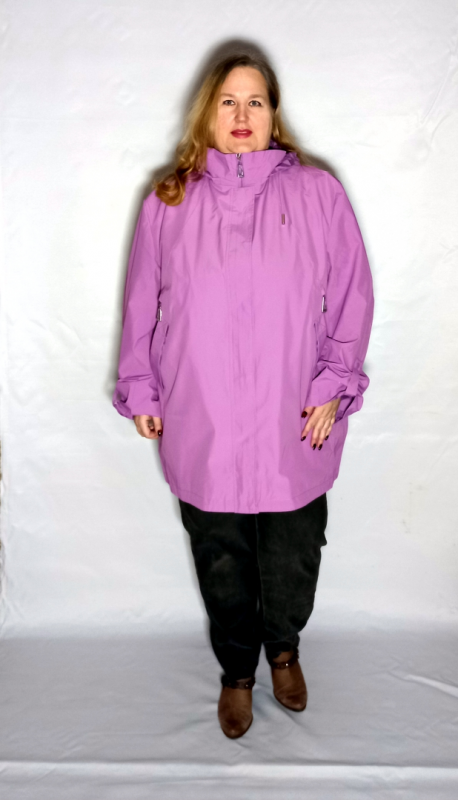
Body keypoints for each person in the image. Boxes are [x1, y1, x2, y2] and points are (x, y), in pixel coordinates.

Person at [112, 51, 374, 739]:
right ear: (207, 112)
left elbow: (351, 295)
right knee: (220, 553)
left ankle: (283, 650)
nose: (241, 114)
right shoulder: (170, 200)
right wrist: (141, 384)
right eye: (228, 100)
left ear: (273, 115)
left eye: (255, 101)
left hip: (296, 412)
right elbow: (141, 301)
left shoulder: (317, 193)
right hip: (202, 412)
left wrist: (333, 383)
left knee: (294, 549)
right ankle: (237, 671)